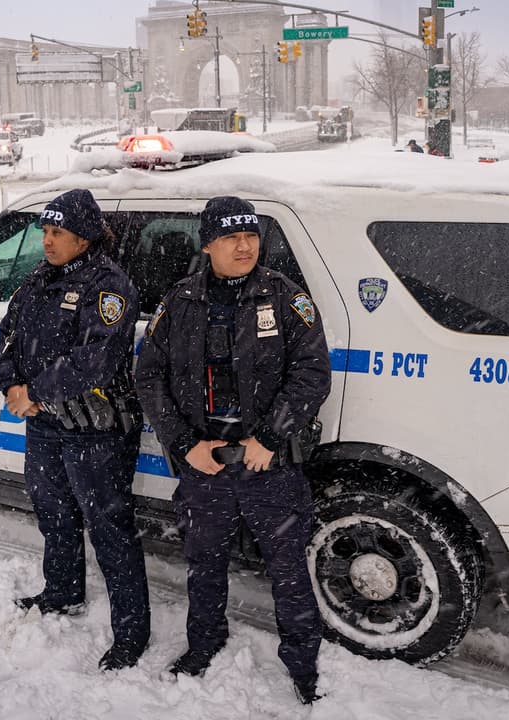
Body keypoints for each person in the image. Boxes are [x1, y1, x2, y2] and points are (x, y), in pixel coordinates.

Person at [135, 196, 332, 704]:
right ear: (208, 244)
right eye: (230, 237)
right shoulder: (179, 301)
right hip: (205, 463)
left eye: (250, 236)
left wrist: (270, 437)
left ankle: (303, 661)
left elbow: (312, 373)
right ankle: (204, 643)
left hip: (269, 465)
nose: (244, 245)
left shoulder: (285, 298)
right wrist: (183, 445)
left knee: (288, 568)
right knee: (204, 564)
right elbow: (149, 376)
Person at [0, 188, 151, 672]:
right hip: (45, 426)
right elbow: (8, 337)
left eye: (57, 232)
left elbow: (96, 361)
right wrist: (12, 385)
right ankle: (62, 593)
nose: (47, 240)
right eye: (45, 230)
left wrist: (33, 392)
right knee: (54, 514)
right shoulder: (39, 280)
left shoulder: (110, 286)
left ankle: (131, 633)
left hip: (95, 430)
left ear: (83, 237)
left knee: (110, 530)